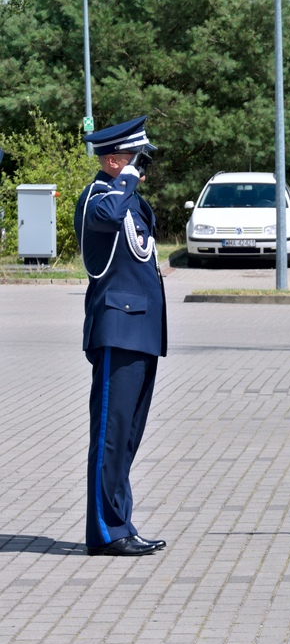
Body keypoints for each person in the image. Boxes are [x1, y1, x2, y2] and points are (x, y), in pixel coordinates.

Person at [74, 116, 167, 557]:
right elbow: (108, 216)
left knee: (128, 435)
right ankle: (106, 532)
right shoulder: (99, 197)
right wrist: (126, 178)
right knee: (111, 434)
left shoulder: (128, 200)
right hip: (116, 328)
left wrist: (129, 181)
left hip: (141, 329)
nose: (141, 166)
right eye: (134, 158)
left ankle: (121, 523)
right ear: (114, 160)